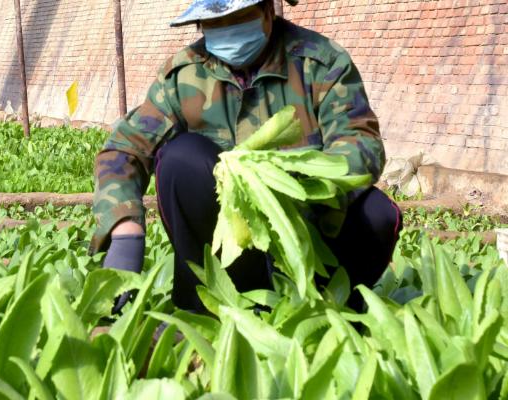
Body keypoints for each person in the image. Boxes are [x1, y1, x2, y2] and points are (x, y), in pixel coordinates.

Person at [89, 0, 403, 313]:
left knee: (377, 212)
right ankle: (203, 306)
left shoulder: (320, 63)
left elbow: (361, 142)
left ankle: (331, 304)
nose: (226, 31)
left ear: (268, 12)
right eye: (213, 24)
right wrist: (125, 232)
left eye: (237, 18)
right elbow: (124, 149)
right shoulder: (184, 74)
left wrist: (294, 185)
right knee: (181, 157)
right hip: (227, 245)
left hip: (307, 234)